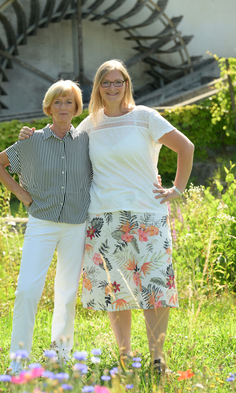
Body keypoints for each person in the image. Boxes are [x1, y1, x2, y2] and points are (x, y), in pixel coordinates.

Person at [19, 60, 194, 373]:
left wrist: (177, 189)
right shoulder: (90, 124)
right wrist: (30, 138)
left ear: (127, 84)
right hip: (103, 218)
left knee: (154, 290)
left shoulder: (145, 118)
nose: (112, 88)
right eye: (106, 83)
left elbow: (185, 146)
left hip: (147, 216)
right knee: (117, 292)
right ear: (97, 88)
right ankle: (125, 355)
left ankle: (157, 359)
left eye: (119, 82)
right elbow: (59, 145)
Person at [0, 80, 92, 374]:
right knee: (27, 290)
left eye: (69, 102)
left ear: (76, 108)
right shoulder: (31, 141)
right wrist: (21, 194)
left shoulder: (86, 140)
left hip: (76, 225)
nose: (63, 107)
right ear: (49, 107)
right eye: (58, 102)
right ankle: (18, 361)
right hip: (42, 224)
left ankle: (60, 355)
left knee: (67, 293)